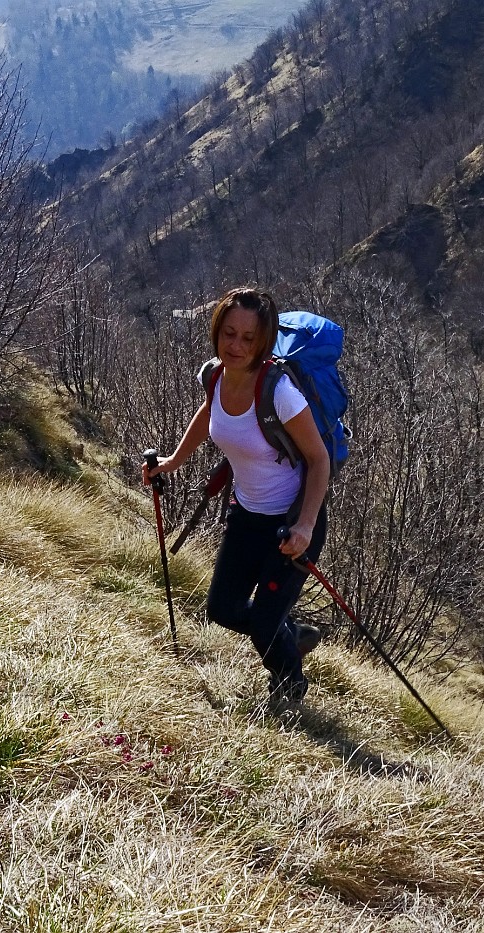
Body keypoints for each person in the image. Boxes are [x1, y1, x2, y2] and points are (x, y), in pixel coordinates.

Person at [144, 286, 330, 706]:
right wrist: (172, 461)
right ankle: (290, 636)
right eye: (229, 333)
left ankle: (289, 682)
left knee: (263, 621)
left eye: (248, 338)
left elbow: (319, 461)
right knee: (223, 610)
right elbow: (210, 413)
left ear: (263, 342)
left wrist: (303, 526)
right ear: (217, 331)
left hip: (292, 522)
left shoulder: (279, 392)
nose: (236, 345)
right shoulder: (214, 375)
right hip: (246, 515)